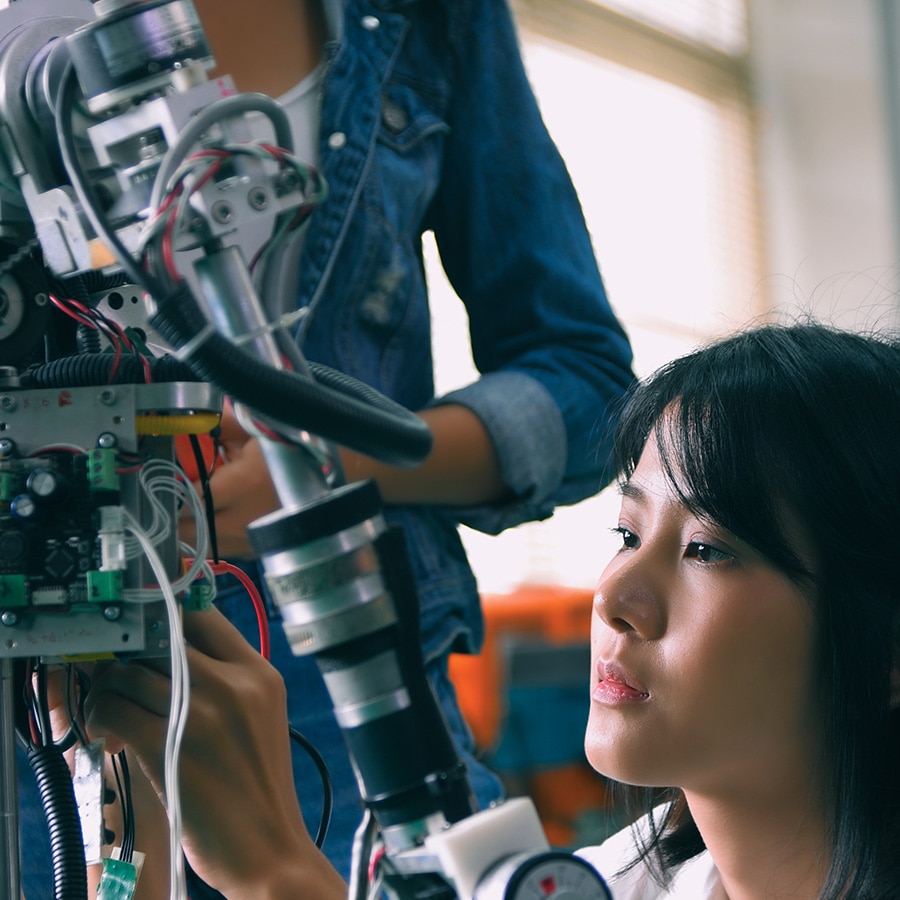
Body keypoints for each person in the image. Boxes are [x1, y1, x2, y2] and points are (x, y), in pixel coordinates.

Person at [17, 0, 634, 896]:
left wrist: (322, 461)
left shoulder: (432, 20)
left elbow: (587, 390)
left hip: (345, 708)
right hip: (35, 706)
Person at [79, 321, 900, 898]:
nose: (614, 598)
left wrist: (274, 870)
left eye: (709, 549)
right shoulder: (624, 881)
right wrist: (142, 819)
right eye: (627, 532)